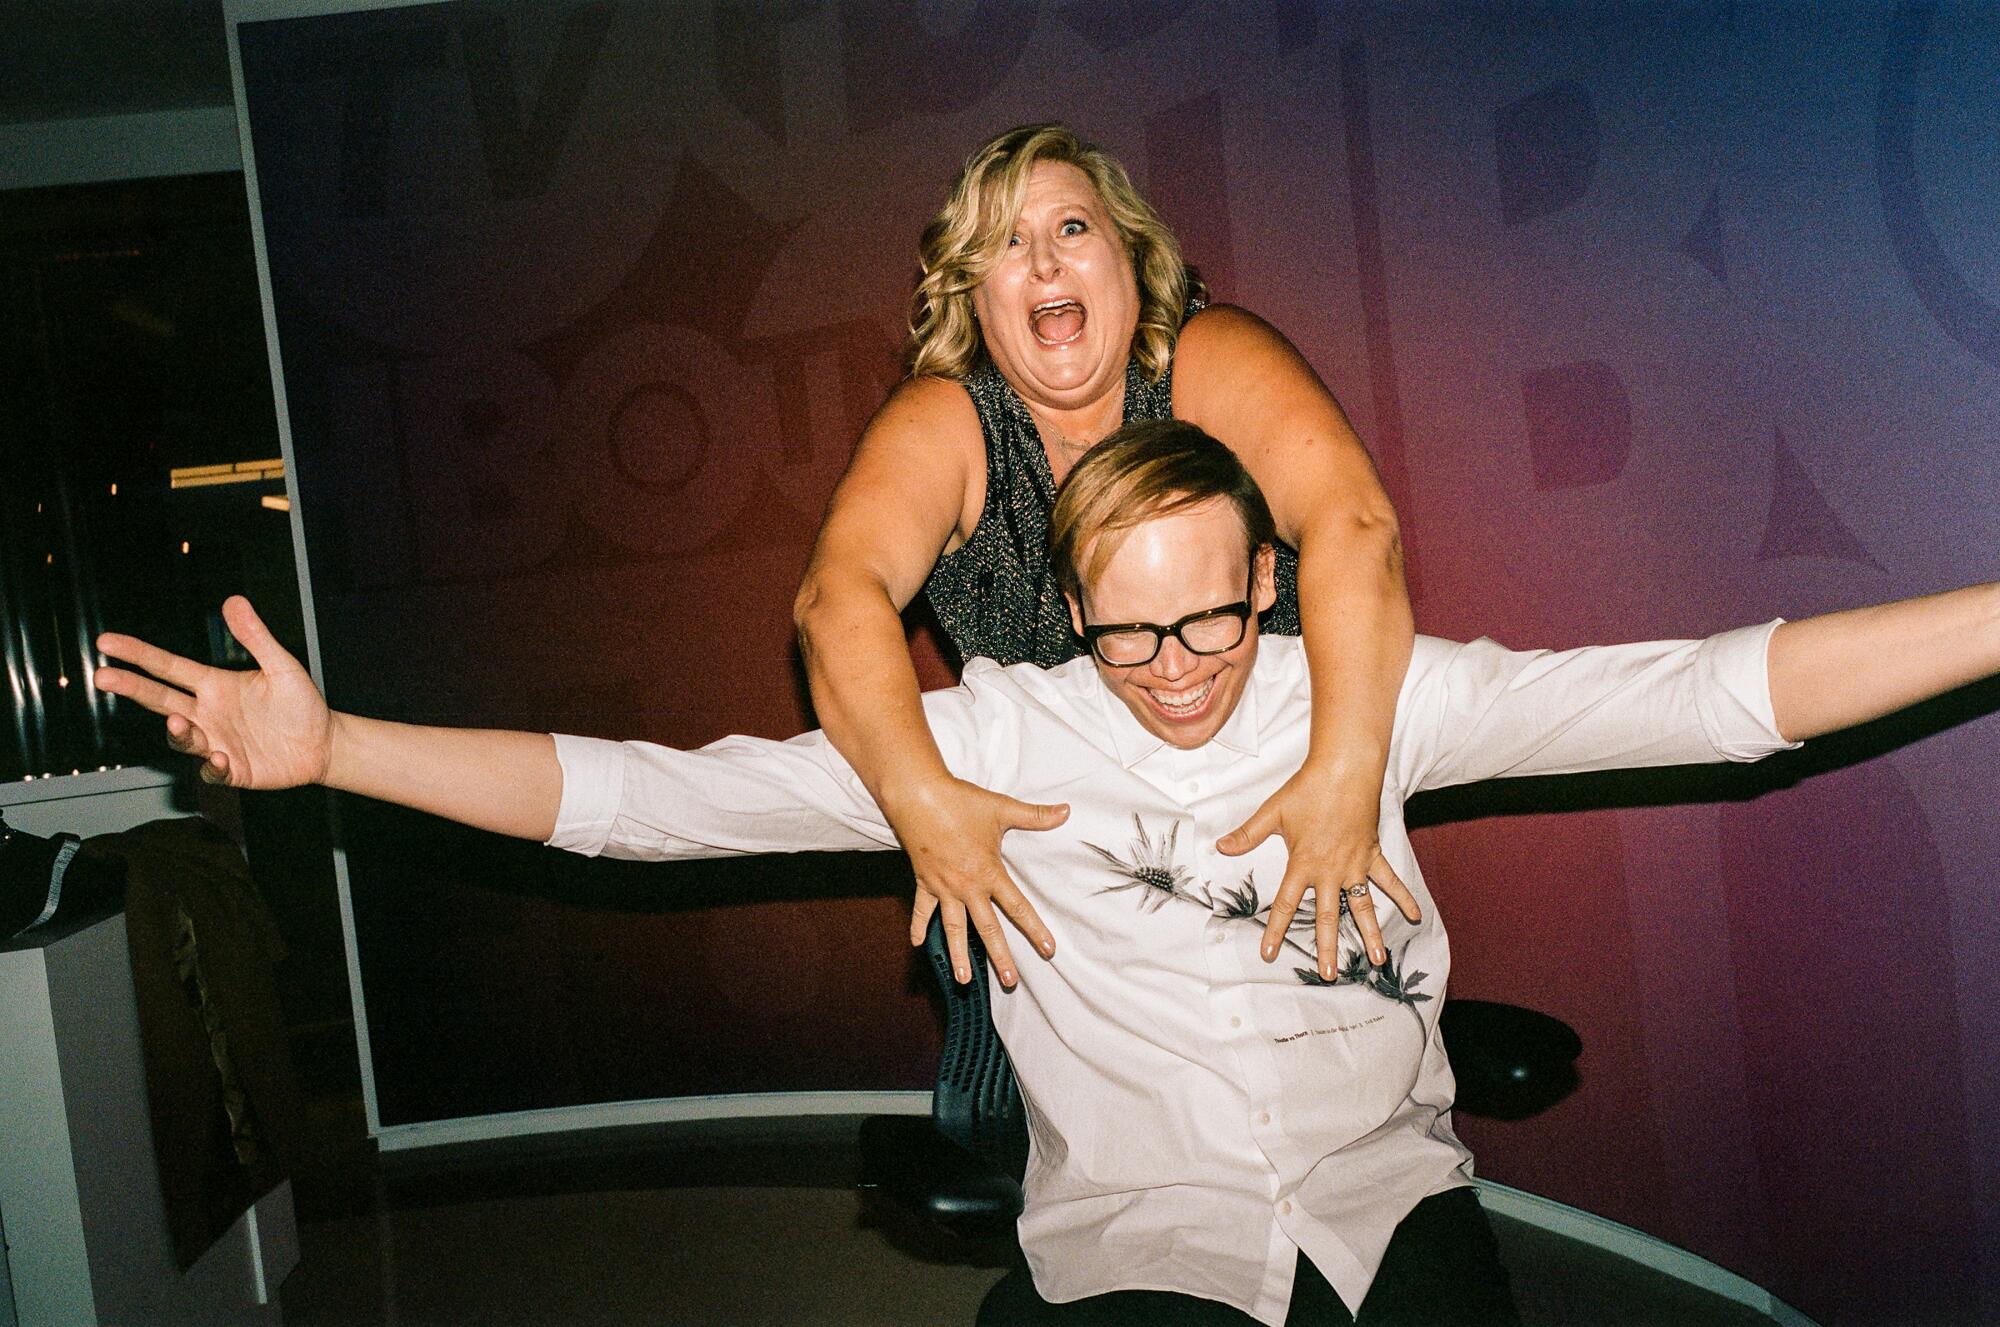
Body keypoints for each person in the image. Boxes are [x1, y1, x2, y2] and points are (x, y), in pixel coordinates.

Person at [95, 421, 2000, 1325]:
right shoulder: (996, 738)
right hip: (1140, 1244)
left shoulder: (1378, 697)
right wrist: (334, 749)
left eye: (1219, 624)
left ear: (1272, 586)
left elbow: (1723, 691)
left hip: (1386, 1199)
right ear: (1070, 611)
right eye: (1131, 634)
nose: (1178, 673)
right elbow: (651, 800)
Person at [793, 122, 1415, 991]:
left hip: (1284, 815)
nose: (1045, 262)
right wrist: (921, 800)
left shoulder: (1206, 358)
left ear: (1134, 258)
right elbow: (838, 596)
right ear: (974, 294)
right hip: (1077, 890)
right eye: (1007, 243)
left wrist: (1346, 775)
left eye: (1072, 229)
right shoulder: (949, 422)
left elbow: (1356, 524)